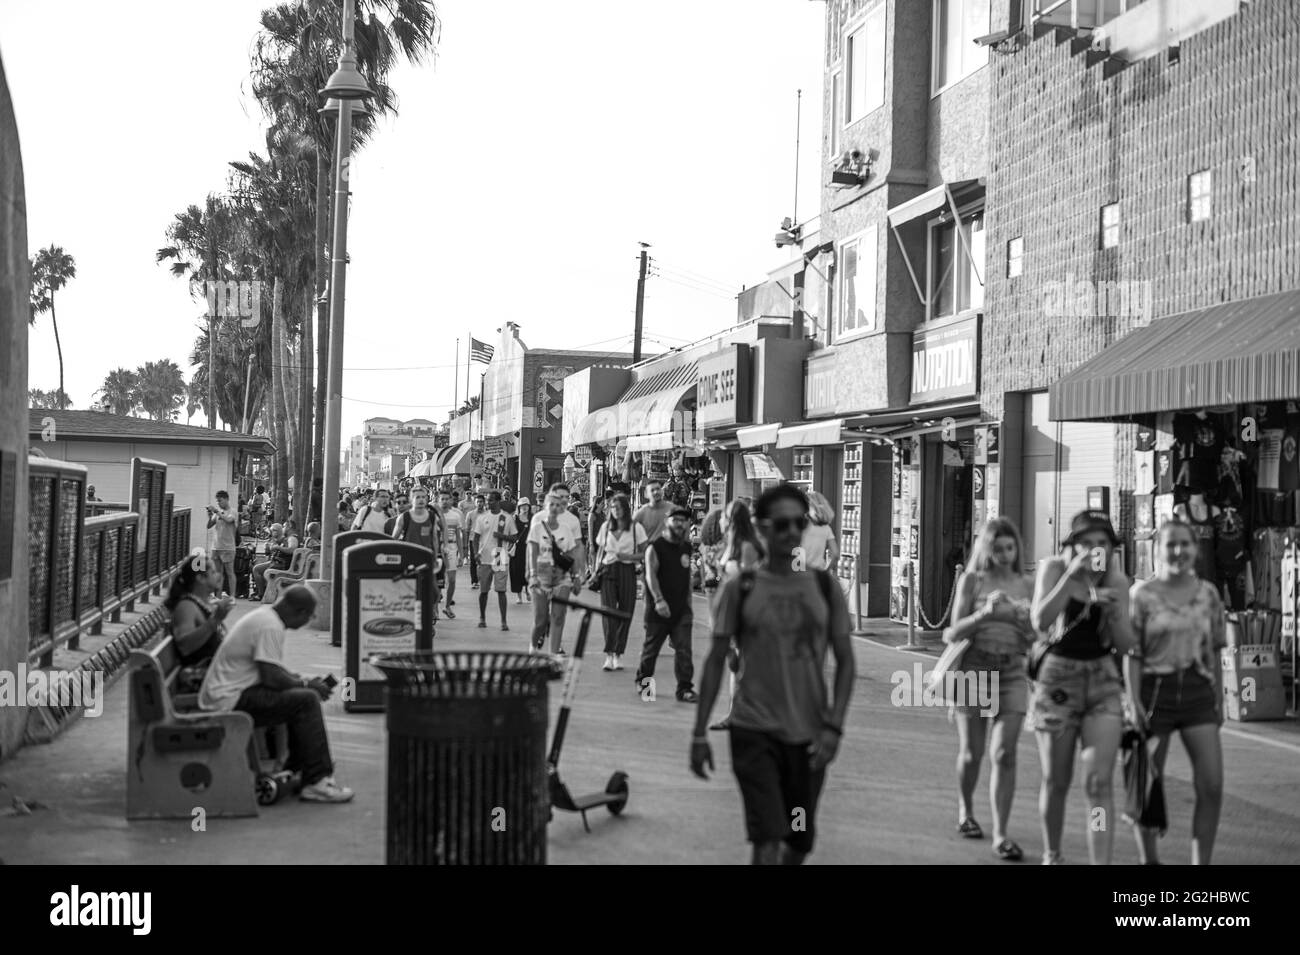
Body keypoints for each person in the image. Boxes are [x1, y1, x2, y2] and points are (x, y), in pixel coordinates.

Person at [690, 484, 856, 865]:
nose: (792, 533)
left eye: (799, 523)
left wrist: (834, 727)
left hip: (809, 737)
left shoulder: (824, 587)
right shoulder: (741, 588)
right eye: (781, 525)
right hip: (754, 732)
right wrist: (699, 733)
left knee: (797, 842)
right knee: (767, 838)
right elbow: (716, 660)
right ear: (761, 529)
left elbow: (846, 660)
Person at [1030, 509, 1137, 866]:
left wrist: (1115, 613)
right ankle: (1052, 854)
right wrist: (1070, 580)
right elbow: (1040, 622)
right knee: (1056, 779)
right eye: (1086, 542)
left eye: (1102, 543)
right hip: (1057, 678)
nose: (1095, 550)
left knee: (1098, 783)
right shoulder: (1055, 569)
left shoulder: (1116, 581)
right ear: (1072, 545)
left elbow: (1125, 647)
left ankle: (1100, 860)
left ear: (1111, 547)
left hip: (1102, 680)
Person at [1126, 519, 1226, 865]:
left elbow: (1215, 649)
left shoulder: (1208, 594)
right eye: (1170, 544)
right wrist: (1132, 701)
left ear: (1196, 549)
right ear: (1157, 549)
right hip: (1154, 695)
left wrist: (1221, 698)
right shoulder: (1142, 595)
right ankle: (1150, 860)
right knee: (1146, 784)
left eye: (1185, 544)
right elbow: (1132, 653)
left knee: (1211, 786)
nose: (1178, 551)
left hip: (1198, 693)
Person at [198, 586, 353, 803]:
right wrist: (307, 684)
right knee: (306, 700)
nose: (305, 623)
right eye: (309, 617)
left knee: (300, 696)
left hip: (230, 693)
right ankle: (318, 780)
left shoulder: (265, 617)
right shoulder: (270, 626)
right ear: (299, 612)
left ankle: (298, 769)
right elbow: (271, 677)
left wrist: (302, 682)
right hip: (229, 699)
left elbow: (273, 671)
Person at [942, 517, 1036, 861]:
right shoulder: (972, 580)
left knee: (1004, 754)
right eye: (997, 548)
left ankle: (1001, 834)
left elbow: (1037, 638)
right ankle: (966, 812)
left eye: (1009, 548)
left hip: (1012, 670)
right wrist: (985, 615)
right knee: (973, 752)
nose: (1004, 554)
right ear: (986, 549)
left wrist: (1024, 622)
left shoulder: (1027, 584)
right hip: (975, 668)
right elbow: (952, 633)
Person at [711, 499, 765, 730]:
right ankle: (737, 713)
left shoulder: (747, 547)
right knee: (735, 664)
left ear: (733, 520)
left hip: (745, 613)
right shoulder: (732, 544)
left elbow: (750, 582)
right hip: (729, 611)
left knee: (742, 664)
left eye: (724, 516)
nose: (721, 520)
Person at [635, 506, 698, 702]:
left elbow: (687, 577)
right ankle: (644, 684)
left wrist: (689, 604)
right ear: (667, 522)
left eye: (683, 521)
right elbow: (650, 575)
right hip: (659, 610)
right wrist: (659, 601)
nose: (680, 524)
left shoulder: (686, 547)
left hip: (682, 610)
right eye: (676, 520)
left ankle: (685, 689)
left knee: (684, 651)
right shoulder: (656, 547)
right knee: (651, 651)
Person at [591, 493, 646, 671]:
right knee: (608, 611)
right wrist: (594, 571)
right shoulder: (606, 526)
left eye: (619, 507)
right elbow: (600, 551)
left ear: (626, 509)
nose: (616, 511)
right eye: (613, 508)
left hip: (627, 570)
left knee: (625, 612)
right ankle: (609, 654)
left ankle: (618, 653)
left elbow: (645, 552)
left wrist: (629, 556)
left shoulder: (636, 528)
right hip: (608, 570)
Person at [527, 492, 586, 655]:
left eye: (558, 505)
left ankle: (553, 655)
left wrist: (576, 577)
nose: (554, 508)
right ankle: (533, 648)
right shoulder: (537, 528)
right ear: (545, 506)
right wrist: (532, 575)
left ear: (562, 509)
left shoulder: (566, 530)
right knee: (541, 620)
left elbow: (571, 555)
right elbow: (532, 552)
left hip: (562, 577)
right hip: (541, 574)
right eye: (551, 504)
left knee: (558, 617)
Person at [164, 555, 233, 671]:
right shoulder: (186, 606)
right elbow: (185, 646)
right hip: (200, 678)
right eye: (213, 572)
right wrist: (215, 620)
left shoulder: (204, 603)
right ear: (200, 578)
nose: (219, 576)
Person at [470, 491, 519, 630]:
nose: (488, 503)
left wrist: (502, 536)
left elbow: (515, 538)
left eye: (491, 500)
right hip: (485, 556)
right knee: (483, 591)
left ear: (498, 501)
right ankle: (482, 618)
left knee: (501, 590)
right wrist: (475, 554)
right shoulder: (482, 517)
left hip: (500, 555)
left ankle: (503, 621)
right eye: (487, 500)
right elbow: (476, 538)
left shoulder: (507, 518)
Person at [391, 487, 443, 611]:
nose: (421, 500)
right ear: (411, 500)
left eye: (423, 497)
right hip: (409, 560)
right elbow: (393, 540)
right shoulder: (404, 517)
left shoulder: (431, 516)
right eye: (417, 497)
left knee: (434, 593)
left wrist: (435, 556)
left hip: (426, 560)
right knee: (409, 592)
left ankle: (427, 619)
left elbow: (434, 539)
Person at [251, 522, 299, 601]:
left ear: (289, 527)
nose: (283, 529)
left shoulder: (292, 538)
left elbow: (292, 550)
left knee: (257, 569)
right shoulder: (286, 538)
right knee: (256, 567)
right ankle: (261, 592)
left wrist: (278, 547)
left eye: (284, 527)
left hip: (282, 564)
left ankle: (261, 594)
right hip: (277, 562)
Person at [206, 490, 238, 596]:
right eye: (217, 501)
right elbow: (209, 526)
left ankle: (232, 596)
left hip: (228, 547)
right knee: (218, 573)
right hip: (216, 547)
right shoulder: (218, 512)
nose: (219, 503)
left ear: (227, 499)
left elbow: (229, 520)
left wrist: (216, 511)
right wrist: (210, 516)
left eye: (220, 501)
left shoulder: (232, 511)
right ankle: (217, 596)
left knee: (229, 572)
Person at [437, 490, 464, 618]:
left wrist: (462, 555)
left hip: (452, 548)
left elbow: (459, 536)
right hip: (438, 548)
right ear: (438, 500)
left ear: (451, 500)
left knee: (452, 580)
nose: (445, 501)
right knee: (437, 581)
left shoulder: (456, 515)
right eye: (442, 499)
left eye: (447, 499)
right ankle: (434, 608)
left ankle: (447, 606)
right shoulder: (434, 515)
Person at [800, 491, 841, 572]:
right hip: (818, 573)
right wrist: (826, 571)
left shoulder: (802, 526)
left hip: (800, 572)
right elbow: (835, 554)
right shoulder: (826, 528)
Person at [509, 497, 533, 603]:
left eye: (526, 505)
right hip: (517, 549)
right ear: (519, 507)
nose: (524, 507)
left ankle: (528, 591)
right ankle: (519, 596)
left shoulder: (533, 518)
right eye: (522, 506)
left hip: (529, 548)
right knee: (516, 572)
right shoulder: (515, 518)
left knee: (528, 570)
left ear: (529, 506)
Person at [465, 493, 486, 589]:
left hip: (484, 540)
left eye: (481, 502)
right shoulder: (470, 514)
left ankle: (483, 580)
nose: (479, 503)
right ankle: (474, 581)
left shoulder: (488, 514)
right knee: (473, 561)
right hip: (473, 540)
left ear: (484, 503)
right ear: (475, 503)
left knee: (484, 561)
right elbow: (467, 529)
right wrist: (465, 544)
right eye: (478, 502)